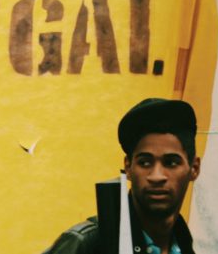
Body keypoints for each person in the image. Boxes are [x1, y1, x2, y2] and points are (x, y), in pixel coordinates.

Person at [43, 98, 201, 254]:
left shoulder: (183, 244)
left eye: (171, 163)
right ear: (128, 168)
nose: (156, 176)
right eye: (145, 163)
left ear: (194, 168)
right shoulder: (84, 245)